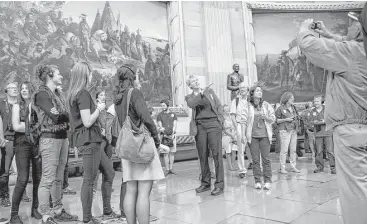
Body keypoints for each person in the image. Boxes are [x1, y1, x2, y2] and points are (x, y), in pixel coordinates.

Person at [297, 12, 367, 224]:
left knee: (356, 193)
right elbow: (344, 46)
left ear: (362, 29)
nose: (348, 26)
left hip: (352, 131)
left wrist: (305, 29)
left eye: (353, 23)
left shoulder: (353, 52)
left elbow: (309, 45)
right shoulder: (357, 51)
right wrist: (327, 34)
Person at [110, 64, 164, 224]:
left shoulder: (118, 97)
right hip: (140, 146)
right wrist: (156, 137)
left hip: (127, 147)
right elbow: (146, 118)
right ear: (132, 78)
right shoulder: (134, 93)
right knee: (144, 191)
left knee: (131, 190)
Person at [67, 62, 117, 224]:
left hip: (93, 139)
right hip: (89, 140)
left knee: (109, 172)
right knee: (89, 179)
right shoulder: (82, 94)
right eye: (89, 73)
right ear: (84, 74)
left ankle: (107, 210)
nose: (91, 76)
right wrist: (100, 108)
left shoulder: (77, 93)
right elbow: (87, 121)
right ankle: (87, 218)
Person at [33, 65, 78, 224]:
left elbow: (63, 116)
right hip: (50, 138)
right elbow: (56, 117)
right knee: (48, 179)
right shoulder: (42, 94)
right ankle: (45, 215)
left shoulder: (58, 93)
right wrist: (76, 113)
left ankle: (58, 209)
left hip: (62, 138)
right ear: (50, 75)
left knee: (59, 178)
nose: (61, 75)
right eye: (58, 73)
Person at [185, 75, 224, 196]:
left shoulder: (209, 91)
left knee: (217, 154)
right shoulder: (189, 97)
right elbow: (192, 104)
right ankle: (206, 183)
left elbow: (219, 105)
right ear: (190, 85)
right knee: (203, 154)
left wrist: (220, 121)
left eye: (197, 80)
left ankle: (219, 184)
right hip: (200, 126)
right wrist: (200, 94)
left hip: (213, 124)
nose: (196, 82)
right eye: (193, 81)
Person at [9, 82, 42, 223]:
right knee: (22, 179)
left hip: (37, 144)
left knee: (38, 178)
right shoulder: (17, 106)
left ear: (31, 90)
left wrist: (30, 127)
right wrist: (35, 127)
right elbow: (16, 126)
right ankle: (14, 215)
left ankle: (35, 209)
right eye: (21, 89)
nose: (23, 91)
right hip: (22, 144)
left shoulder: (38, 106)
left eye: (26, 88)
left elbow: (43, 124)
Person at [246, 85, 275, 190]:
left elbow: (273, 119)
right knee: (255, 160)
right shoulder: (248, 105)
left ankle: (267, 181)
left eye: (261, 91)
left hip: (265, 136)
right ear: (252, 93)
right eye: (257, 90)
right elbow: (244, 121)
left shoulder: (266, 105)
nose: (260, 92)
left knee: (266, 159)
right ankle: (257, 181)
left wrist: (266, 117)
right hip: (253, 136)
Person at [0, 81, 18, 207]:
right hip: (8, 140)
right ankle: (4, 196)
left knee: (22, 170)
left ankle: (22, 194)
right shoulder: (1, 104)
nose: (14, 89)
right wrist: (1, 137)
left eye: (15, 88)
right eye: (11, 88)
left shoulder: (20, 104)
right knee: (5, 171)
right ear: (6, 91)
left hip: (21, 140)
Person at [275, 92, 301, 174]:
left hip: (293, 130)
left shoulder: (294, 107)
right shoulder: (280, 109)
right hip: (285, 131)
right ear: (286, 99)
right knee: (284, 150)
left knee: (293, 150)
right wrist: (286, 119)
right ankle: (282, 168)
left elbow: (297, 117)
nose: (293, 99)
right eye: (291, 98)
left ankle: (293, 166)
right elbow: (276, 121)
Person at [310, 95, 336, 174]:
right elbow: (310, 121)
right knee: (319, 151)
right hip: (318, 134)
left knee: (330, 151)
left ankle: (333, 168)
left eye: (317, 101)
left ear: (321, 101)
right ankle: (319, 167)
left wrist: (324, 121)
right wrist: (314, 122)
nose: (315, 103)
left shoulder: (327, 109)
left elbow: (332, 119)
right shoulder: (312, 111)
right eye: (314, 101)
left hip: (328, 133)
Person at [231, 82, 252, 178]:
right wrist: (237, 130)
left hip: (250, 125)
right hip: (240, 125)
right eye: (240, 88)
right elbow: (232, 116)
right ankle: (242, 170)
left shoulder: (251, 101)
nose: (242, 89)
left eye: (244, 87)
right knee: (241, 150)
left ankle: (257, 166)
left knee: (254, 147)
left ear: (248, 89)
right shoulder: (235, 101)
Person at [157, 100, 178, 176]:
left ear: (167, 105)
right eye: (161, 105)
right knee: (166, 153)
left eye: (163, 105)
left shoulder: (173, 114)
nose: (162, 107)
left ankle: (171, 169)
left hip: (172, 136)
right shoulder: (159, 115)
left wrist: (173, 133)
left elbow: (175, 124)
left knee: (172, 153)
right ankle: (167, 169)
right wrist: (164, 132)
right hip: (164, 137)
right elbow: (160, 125)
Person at [222, 105, 237, 171]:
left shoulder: (231, 117)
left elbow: (235, 126)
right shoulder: (222, 119)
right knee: (228, 152)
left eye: (228, 110)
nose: (228, 111)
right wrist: (231, 135)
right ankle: (230, 166)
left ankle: (233, 164)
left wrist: (234, 135)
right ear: (223, 111)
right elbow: (224, 130)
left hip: (233, 135)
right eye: (226, 110)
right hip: (226, 136)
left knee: (234, 151)